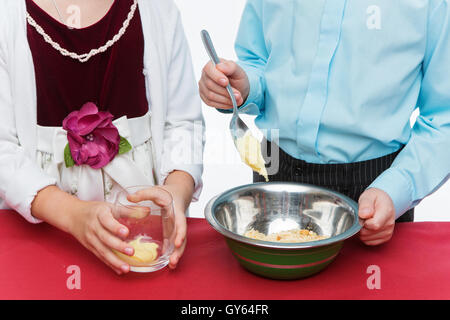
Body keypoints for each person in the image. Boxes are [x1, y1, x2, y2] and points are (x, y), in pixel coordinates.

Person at [199, 0, 450, 245]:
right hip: (273, 171)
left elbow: (444, 117)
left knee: (367, 287)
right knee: (264, 286)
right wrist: (243, 87)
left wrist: (396, 190)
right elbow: (259, 62)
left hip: (374, 191)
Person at [0, 0, 204, 274]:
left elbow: (183, 123)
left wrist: (177, 191)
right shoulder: (7, 16)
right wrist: (72, 215)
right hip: (43, 240)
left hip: (145, 240)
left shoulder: (157, 9)